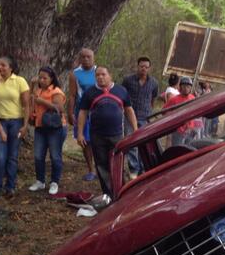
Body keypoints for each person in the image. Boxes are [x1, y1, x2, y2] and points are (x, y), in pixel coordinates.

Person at [77, 66, 138, 197]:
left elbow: (129, 110)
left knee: (117, 164)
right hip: (97, 136)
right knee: (102, 165)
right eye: (97, 75)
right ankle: (108, 194)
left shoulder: (121, 90)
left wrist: (135, 129)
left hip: (117, 135)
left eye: (103, 74)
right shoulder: (90, 92)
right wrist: (80, 133)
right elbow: (82, 113)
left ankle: (122, 192)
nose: (100, 77)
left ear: (110, 75)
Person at [0, 56, 30, 200]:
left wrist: (25, 125)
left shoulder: (20, 81)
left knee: (12, 155)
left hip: (15, 123)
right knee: (0, 156)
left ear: (11, 67)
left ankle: (10, 187)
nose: (0, 67)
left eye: (3, 65)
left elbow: (26, 105)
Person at [28, 67, 67, 195]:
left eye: (45, 78)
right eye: (40, 77)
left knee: (55, 156)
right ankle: (40, 181)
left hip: (54, 128)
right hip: (40, 127)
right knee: (38, 156)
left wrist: (42, 102)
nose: (42, 80)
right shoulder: (37, 90)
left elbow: (59, 108)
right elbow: (30, 99)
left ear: (51, 78)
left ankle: (54, 182)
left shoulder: (56, 91)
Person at [122, 56, 159, 178]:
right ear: (137, 66)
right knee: (131, 142)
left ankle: (143, 168)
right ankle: (134, 168)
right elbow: (122, 95)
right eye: (141, 66)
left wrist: (149, 110)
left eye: (146, 67)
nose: (143, 69)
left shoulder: (153, 83)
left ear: (149, 68)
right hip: (129, 115)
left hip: (145, 116)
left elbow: (153, 98)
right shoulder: (128, 80)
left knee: (144, 142)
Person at [68, 48, 97, 181]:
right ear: (79, 59)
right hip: (82, 112)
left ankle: (103, 167)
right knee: (85, 141)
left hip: (98, 111)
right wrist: (70, 112)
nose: (86, 59)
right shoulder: (75, 74)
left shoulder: (99, 72)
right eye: (83, 57)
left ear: (93, 58)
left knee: (100, 140)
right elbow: (72, 95)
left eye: (88, 57)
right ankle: (91, 169)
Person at [163, 76, 203, 146]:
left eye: (188, 86)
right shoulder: (174, 99)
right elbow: (164, 111)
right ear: (180, 87)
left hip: (190, 129)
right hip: (178, 130)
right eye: (184, 86)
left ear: (191, 88)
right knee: (177, 149)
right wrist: (173, 120)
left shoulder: (193, 98)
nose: (186, 88)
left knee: (188, 150)